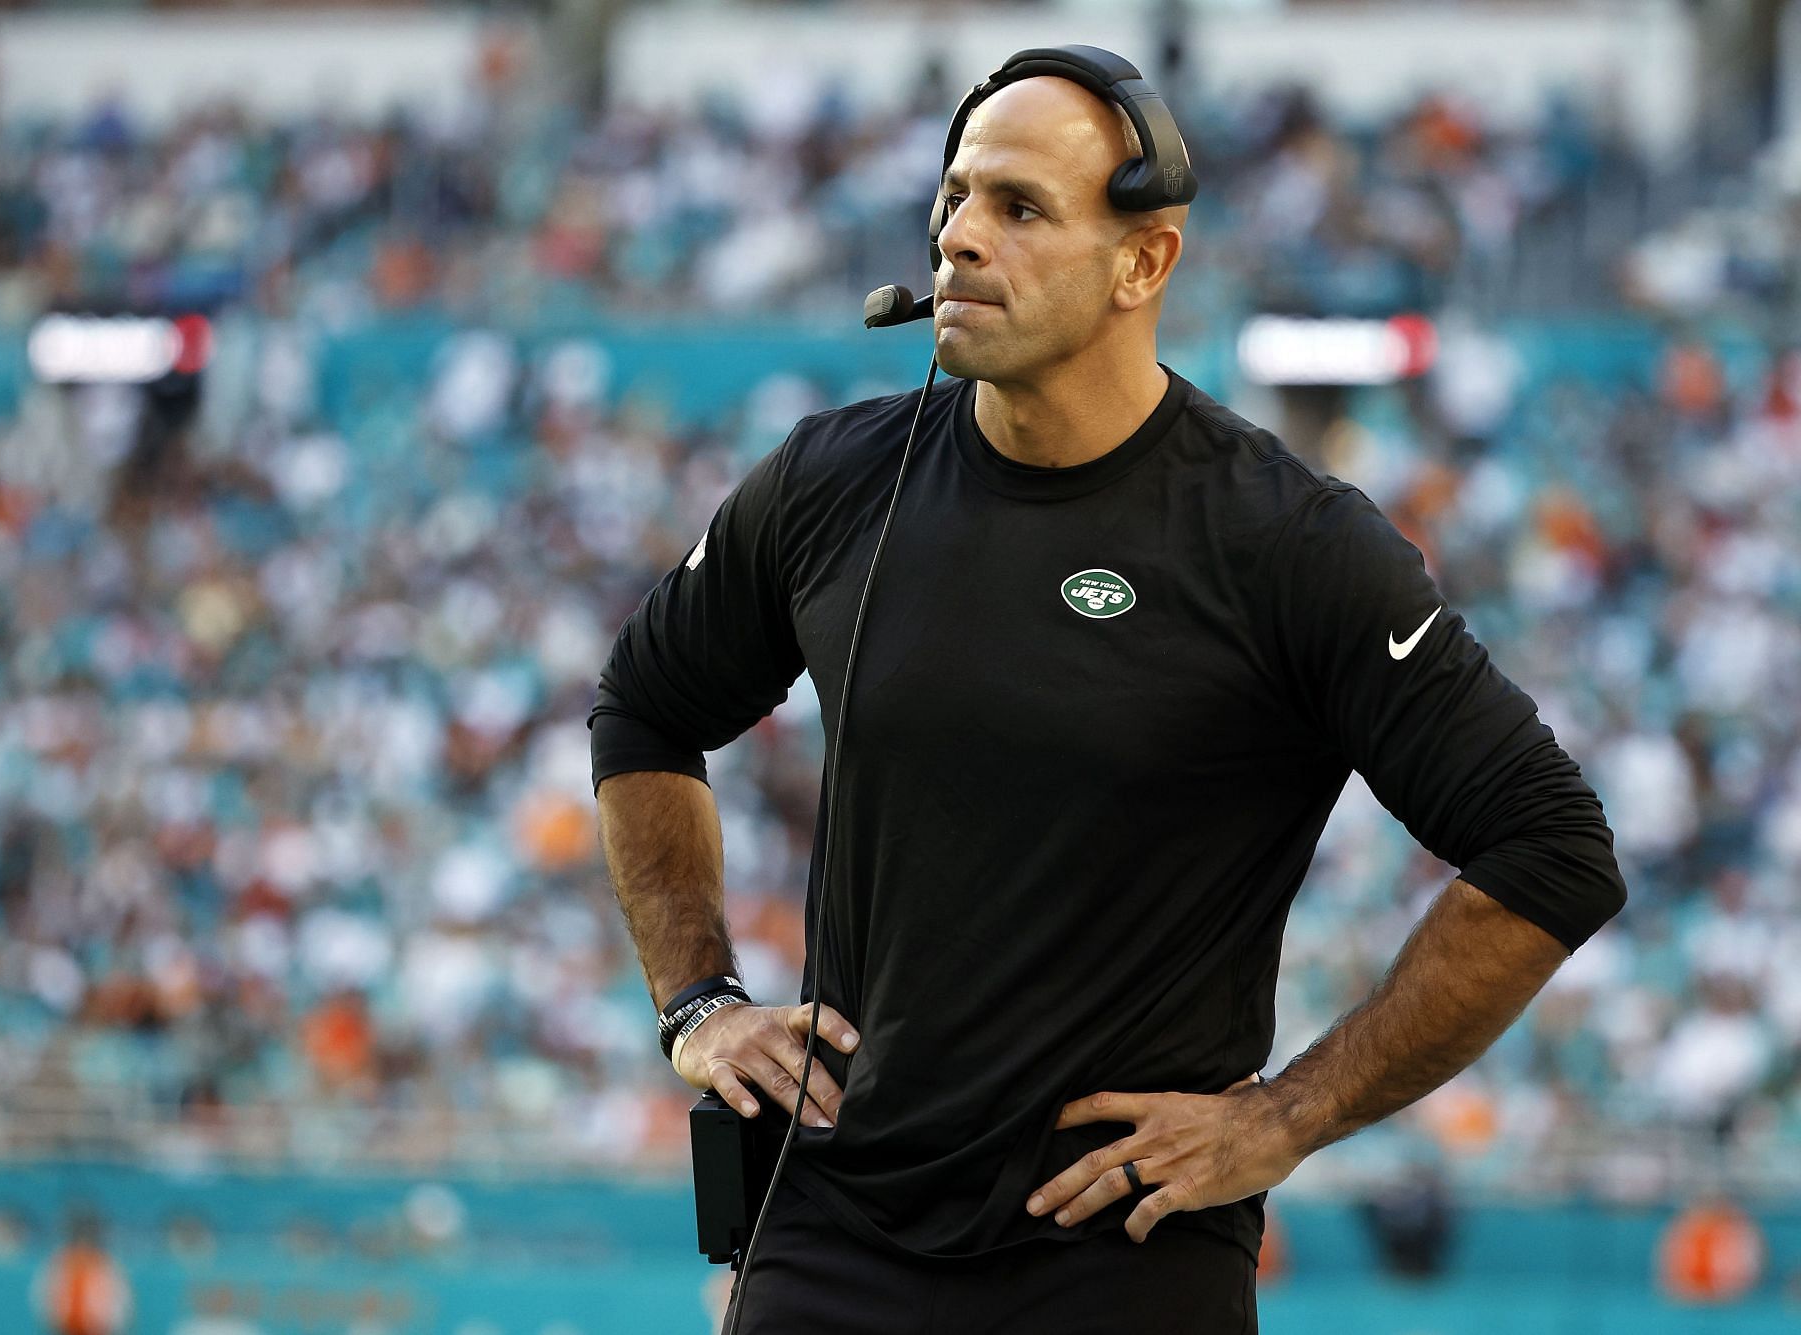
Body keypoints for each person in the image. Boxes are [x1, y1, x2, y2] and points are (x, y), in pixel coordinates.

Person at [589, 51, 1625, 1335]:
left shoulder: (1285, 545)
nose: (960, 238)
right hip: (833, 1235)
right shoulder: (831, 480)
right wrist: (700, 1005)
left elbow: (1554, 852)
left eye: (1020, 208)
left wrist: (1288, 1115)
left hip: (1122, 1255)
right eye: (956, 197)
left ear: (1145, 263)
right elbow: (645, 708)